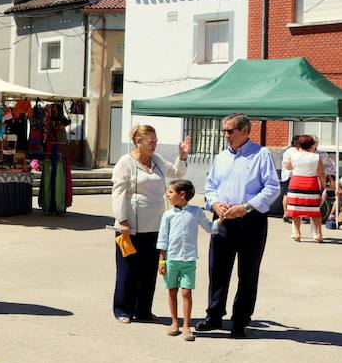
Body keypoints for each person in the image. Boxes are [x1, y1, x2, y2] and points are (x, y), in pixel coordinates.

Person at [198, 113, 280, 339]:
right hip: (223, 219)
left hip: (250, 220)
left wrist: (246, 207)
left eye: (230, 131)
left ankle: (240, 320)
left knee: (248, 272)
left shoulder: (261, 155)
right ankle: (214, 315)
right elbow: (211, 186)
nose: (226, 135)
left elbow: (272, 188)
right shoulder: (221, 157)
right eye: (224, 130)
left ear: (245, 131)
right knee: (218, 269)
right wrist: (214, 202)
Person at [111, 125, 190, 323]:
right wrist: (122, 220)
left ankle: (144, 310)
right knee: (128, 270)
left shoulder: (157, 160)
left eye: (156, 141)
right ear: (138, 141)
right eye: (150, 141)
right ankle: (123, 310)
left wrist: (182, 156)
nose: (154, 145)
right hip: (131, 226)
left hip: (156, 226)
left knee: (148, 271)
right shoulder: (125, 163)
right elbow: (118, 192)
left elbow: (177, 174)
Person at [157, 179, 219, 341]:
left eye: (171, 192)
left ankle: (186, 325)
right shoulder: (167, 215)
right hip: (171, 260)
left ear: (182, 195)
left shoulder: (196, 212)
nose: (168, 195)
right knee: (172, 290)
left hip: (189, 260)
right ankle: (174, 322)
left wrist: (222, 217)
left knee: (186, 292)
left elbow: (210, 228)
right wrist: (162, 260)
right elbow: (162, 239)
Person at [284, 134, 326, 243]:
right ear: (311, 145)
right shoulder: (316, 157)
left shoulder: (293, 155)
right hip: (311, 184)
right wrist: (324, 187)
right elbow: (321, 174)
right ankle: (318, 233)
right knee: (315, 211)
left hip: (296, 183)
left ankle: (297, 233)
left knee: (296, 210)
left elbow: (288, 167)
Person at [280, 135, 300, 222]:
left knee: (285, 195)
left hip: (285, 175)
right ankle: (289, 213)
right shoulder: (296, 151)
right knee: (292, 195)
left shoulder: (287, 150)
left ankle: (285, 213)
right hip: (292, 175)